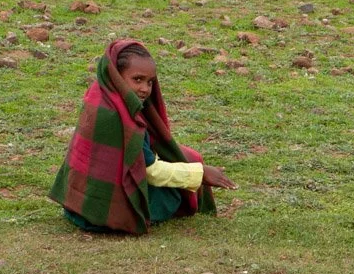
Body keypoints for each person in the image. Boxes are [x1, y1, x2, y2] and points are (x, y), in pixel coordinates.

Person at [49, 39, 235, 234]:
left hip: (77, 205)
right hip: (102, 215)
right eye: (137, 79)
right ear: (116, 76)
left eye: (150, 82)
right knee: (173, 194)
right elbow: (149, 171)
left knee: (188, 156)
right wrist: (200, 173)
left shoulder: (100, 94)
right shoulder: (116, 116)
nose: (145, 89)